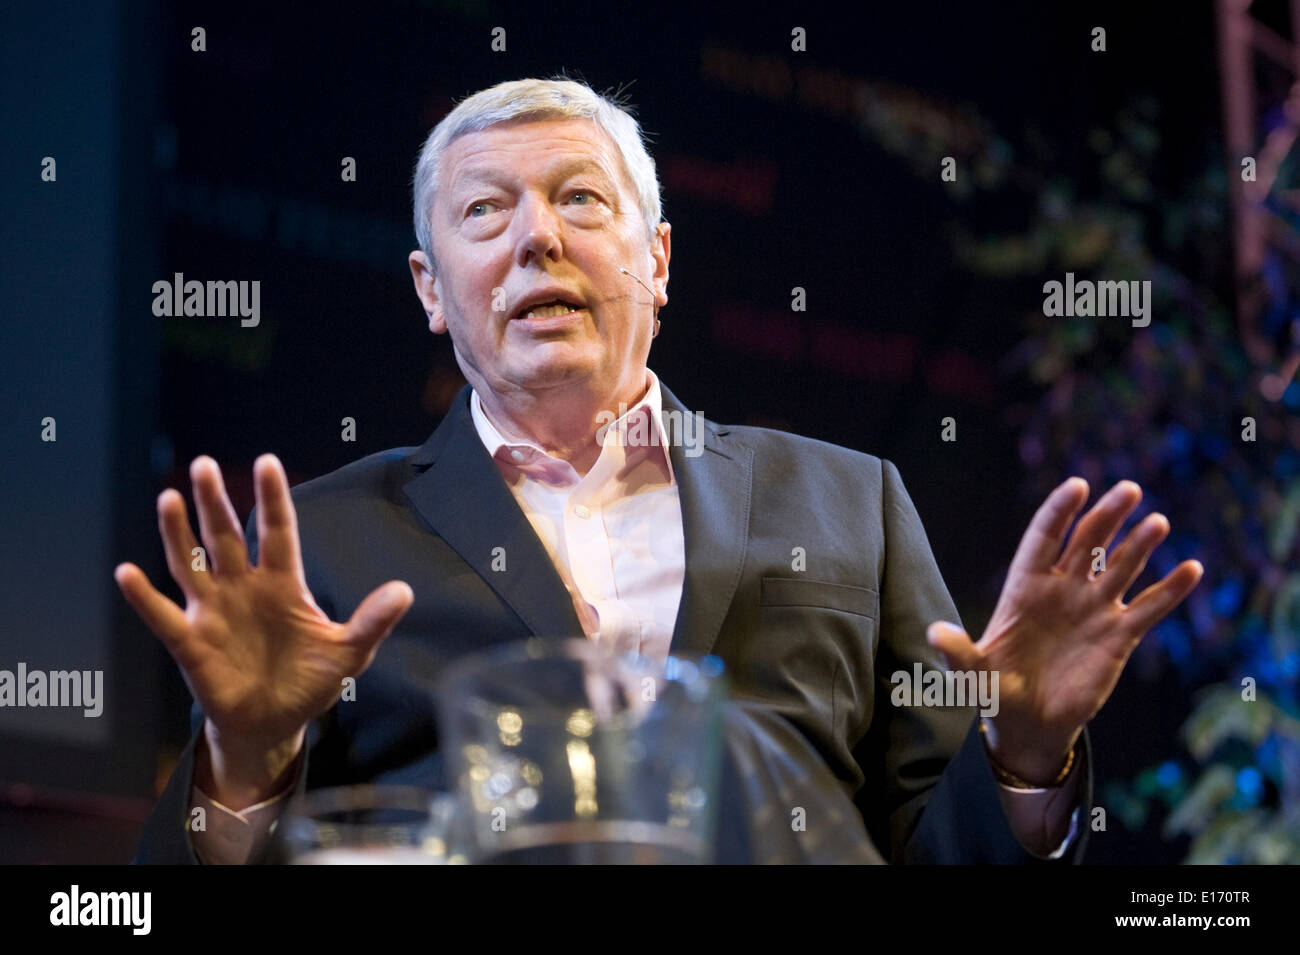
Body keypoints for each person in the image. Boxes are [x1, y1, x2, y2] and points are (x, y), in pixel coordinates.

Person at [118, 78, 1203, 864]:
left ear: (660, 260)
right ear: (431, 289)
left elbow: (933, 842)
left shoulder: (847, 502)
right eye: (484, 211)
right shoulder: (326, 541)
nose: (535, 238)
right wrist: (244, 762)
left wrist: (1021, 754)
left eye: (580, 199)